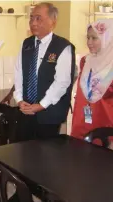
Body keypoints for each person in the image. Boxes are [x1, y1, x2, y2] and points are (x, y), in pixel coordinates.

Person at [12, 2, 75, 143]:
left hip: (49, 114)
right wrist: (19, 100)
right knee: (22, 154)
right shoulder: (26, 44)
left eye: (38, 18)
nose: (33, 22)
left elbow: (62, 82)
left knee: (45, 158)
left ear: (52, 22)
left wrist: (41, 105)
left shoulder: (63, 47)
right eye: (31, 18)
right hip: (26, 111)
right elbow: (18, 73)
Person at [71, 19, 113, 139]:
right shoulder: (85, 61)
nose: (89, 42)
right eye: (87, 38)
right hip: (82, 123)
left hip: (108, 128)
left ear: (107, 39)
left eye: (94, 38)